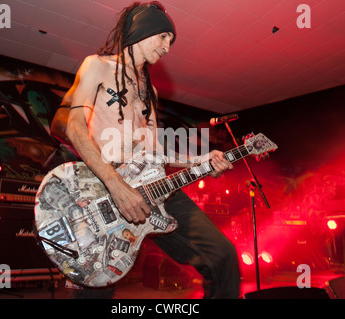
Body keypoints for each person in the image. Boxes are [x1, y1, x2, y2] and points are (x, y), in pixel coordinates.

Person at [60, 2, 240, 298]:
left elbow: (154, 152)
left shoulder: (150, 92)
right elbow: (75, 127)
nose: (167, 48)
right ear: (143, 31)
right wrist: (117, 186)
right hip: (107, 191)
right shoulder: (97, 66)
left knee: (222, 256)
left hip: (154, 189)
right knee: (98, 282)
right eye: (164, 37)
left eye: (171, 41)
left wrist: (198, 160)